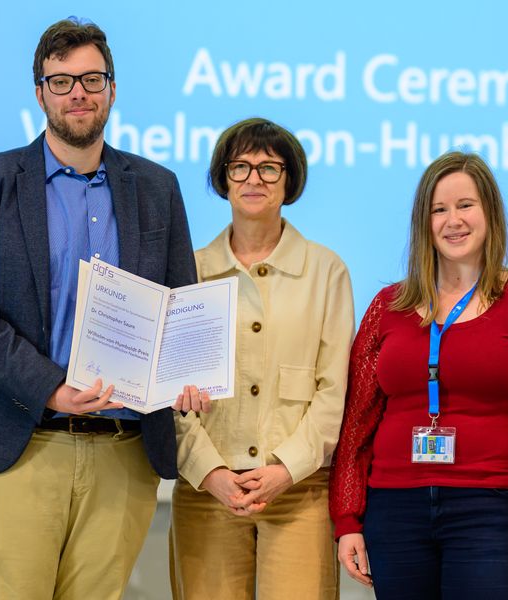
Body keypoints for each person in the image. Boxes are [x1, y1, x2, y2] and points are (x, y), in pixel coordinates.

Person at [0, 17, 207, 599]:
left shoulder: (157, 187)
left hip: (125, 450)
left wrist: (190, 374)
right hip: (18, 440)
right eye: (61, 82)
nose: (77, 93)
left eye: (91, 79)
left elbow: (180, 306)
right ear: (39, 93)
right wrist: (51, 387)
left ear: (113, 88)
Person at [330, 151, 508, 599]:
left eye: (465, 205)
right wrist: (348, 520)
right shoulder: (387, 306)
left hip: (491, 510)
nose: (453, 220)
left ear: (490, 214)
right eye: (438, 209)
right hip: (394, 508)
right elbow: (356, 425)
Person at [169, 117, 355, 600]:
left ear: (289, 180)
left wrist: (284, 470)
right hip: (206, 492)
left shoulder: (326, 270)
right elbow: (167, 389)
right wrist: (210, 473)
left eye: (270, 168)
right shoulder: (189, 269)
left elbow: (335, 391)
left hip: (298, 489)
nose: (254, 179)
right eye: (241, 167)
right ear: (223, 178)